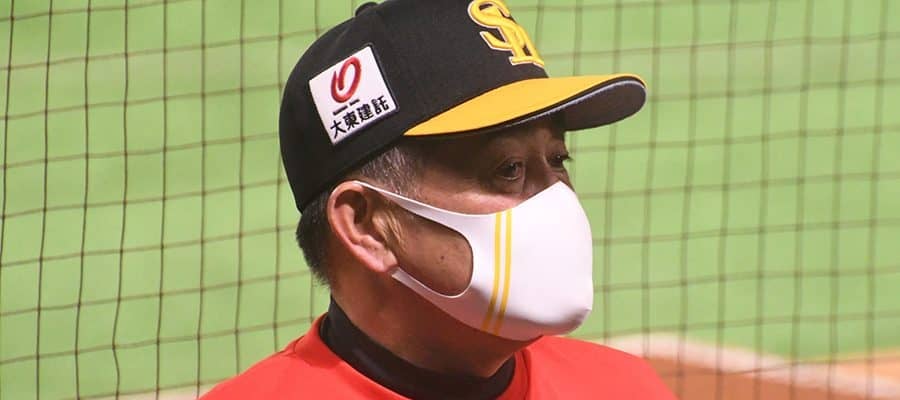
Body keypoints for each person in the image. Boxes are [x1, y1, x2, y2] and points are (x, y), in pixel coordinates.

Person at [202, 0, 675, 398]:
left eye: (558, 159)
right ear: (367, 227)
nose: (558, 200)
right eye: (508, 169)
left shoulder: (622, 388)